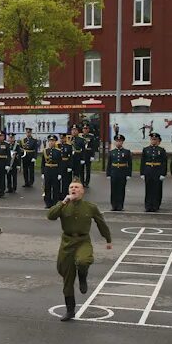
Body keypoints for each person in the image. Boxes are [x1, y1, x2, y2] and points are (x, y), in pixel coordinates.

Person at [47, 181, 112, 322]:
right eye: (71, 187)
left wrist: (108, 239)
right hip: (67, 243)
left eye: (77, 187)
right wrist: (63, 202)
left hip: (83, 241)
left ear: (82, 191)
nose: (73, 189)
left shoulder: (90, 207)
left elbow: (101, 223)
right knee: (66, 276)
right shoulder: (63, 205)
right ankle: (70, 310)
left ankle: (83, 274)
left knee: (83, 260)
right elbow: (50, 216)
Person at [139, 133, 168, 212]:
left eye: (155, 139)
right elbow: (143, 162)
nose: (153, 141)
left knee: (157, 189)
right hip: (148, 171)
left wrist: (163, 173)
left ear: (158, 140)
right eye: (152, 139)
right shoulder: (146, 149)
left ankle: (155, 205)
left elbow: (164, 162)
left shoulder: (161, 150)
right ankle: (148, 205)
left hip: (157, 171)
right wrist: (142, 173)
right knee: (148, 189)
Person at [105, 135, 132, 211]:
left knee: (121, 189)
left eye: (120, 141)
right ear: (115, 142)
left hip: (122, 172)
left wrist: (128, 174)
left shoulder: (126, 152)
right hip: (114, 172)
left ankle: (120, 205)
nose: (118, 143)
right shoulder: (112, 152)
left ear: (122, 142)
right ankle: (114, 205)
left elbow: (129, 164)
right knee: (113, 189)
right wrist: (108, 174)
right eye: (117, 141)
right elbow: (109, 164)